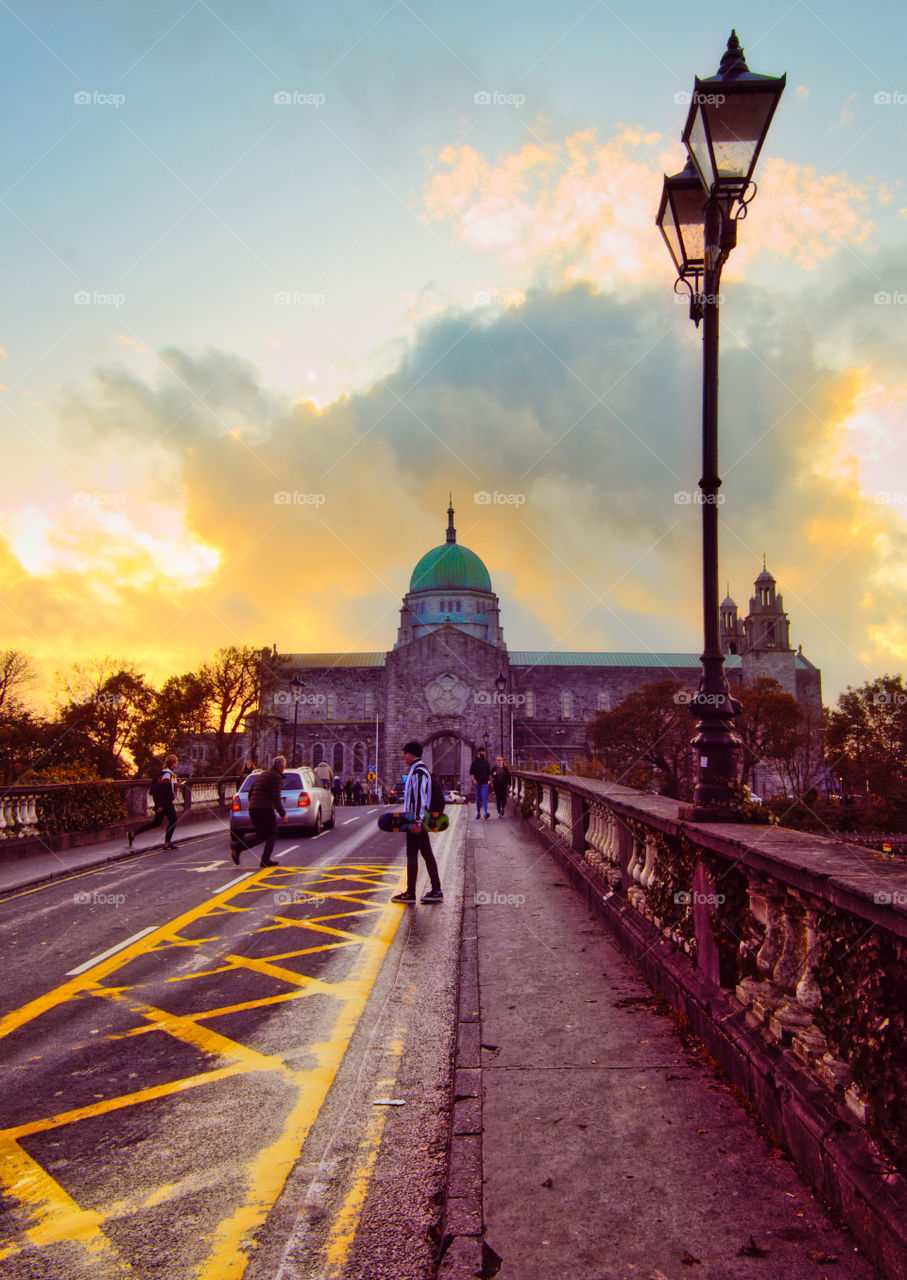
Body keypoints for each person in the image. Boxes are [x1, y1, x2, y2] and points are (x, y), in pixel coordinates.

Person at [391, 740, 443, 905]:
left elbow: (420, 799)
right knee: (426, 854)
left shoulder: (419, 773)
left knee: (412, 855)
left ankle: (411, 893)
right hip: (416, 820)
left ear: (412, 754)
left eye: (405, 753)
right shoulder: (416, 770)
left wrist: (417, 822)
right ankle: (436, 890)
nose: (403, 756)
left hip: (415, 821)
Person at [231, 754, 287, 867]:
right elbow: (275, 797)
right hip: (264, 809)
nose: (284, 769)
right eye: (284, 767)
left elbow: (251, 792)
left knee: (261, 835)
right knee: (272, 833)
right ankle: (265, 860)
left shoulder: (262, 774)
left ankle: (238, 847)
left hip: (254, 808)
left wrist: (253, 804)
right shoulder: (275, 776)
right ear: (281, 767)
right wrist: (283, 814)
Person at [129, 754, 182, 850]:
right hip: (165, 802)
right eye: (176, 762)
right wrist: (160, 805)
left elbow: (168, 787)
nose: (176, 764)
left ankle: (133, 834)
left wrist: (177, 785)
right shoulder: (167, 774)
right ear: (173, 763)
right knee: (173, 820)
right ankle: (167, 843)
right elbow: (163, 790)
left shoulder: (168, 773)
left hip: (164, 802)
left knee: (156, 823)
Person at [469, 745, 492, 820]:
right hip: (477, 784)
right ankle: (478, 813)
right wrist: (474, 781)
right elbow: (471, 773)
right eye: (483, 753)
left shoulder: (486, 762)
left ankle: (485, 813)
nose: (484, 754)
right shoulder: (474, 762)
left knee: (484, 797)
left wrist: (491, 782)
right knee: (478, 799)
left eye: (485, 753)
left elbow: (489, 773)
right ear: (479, 753)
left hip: (485, 783)